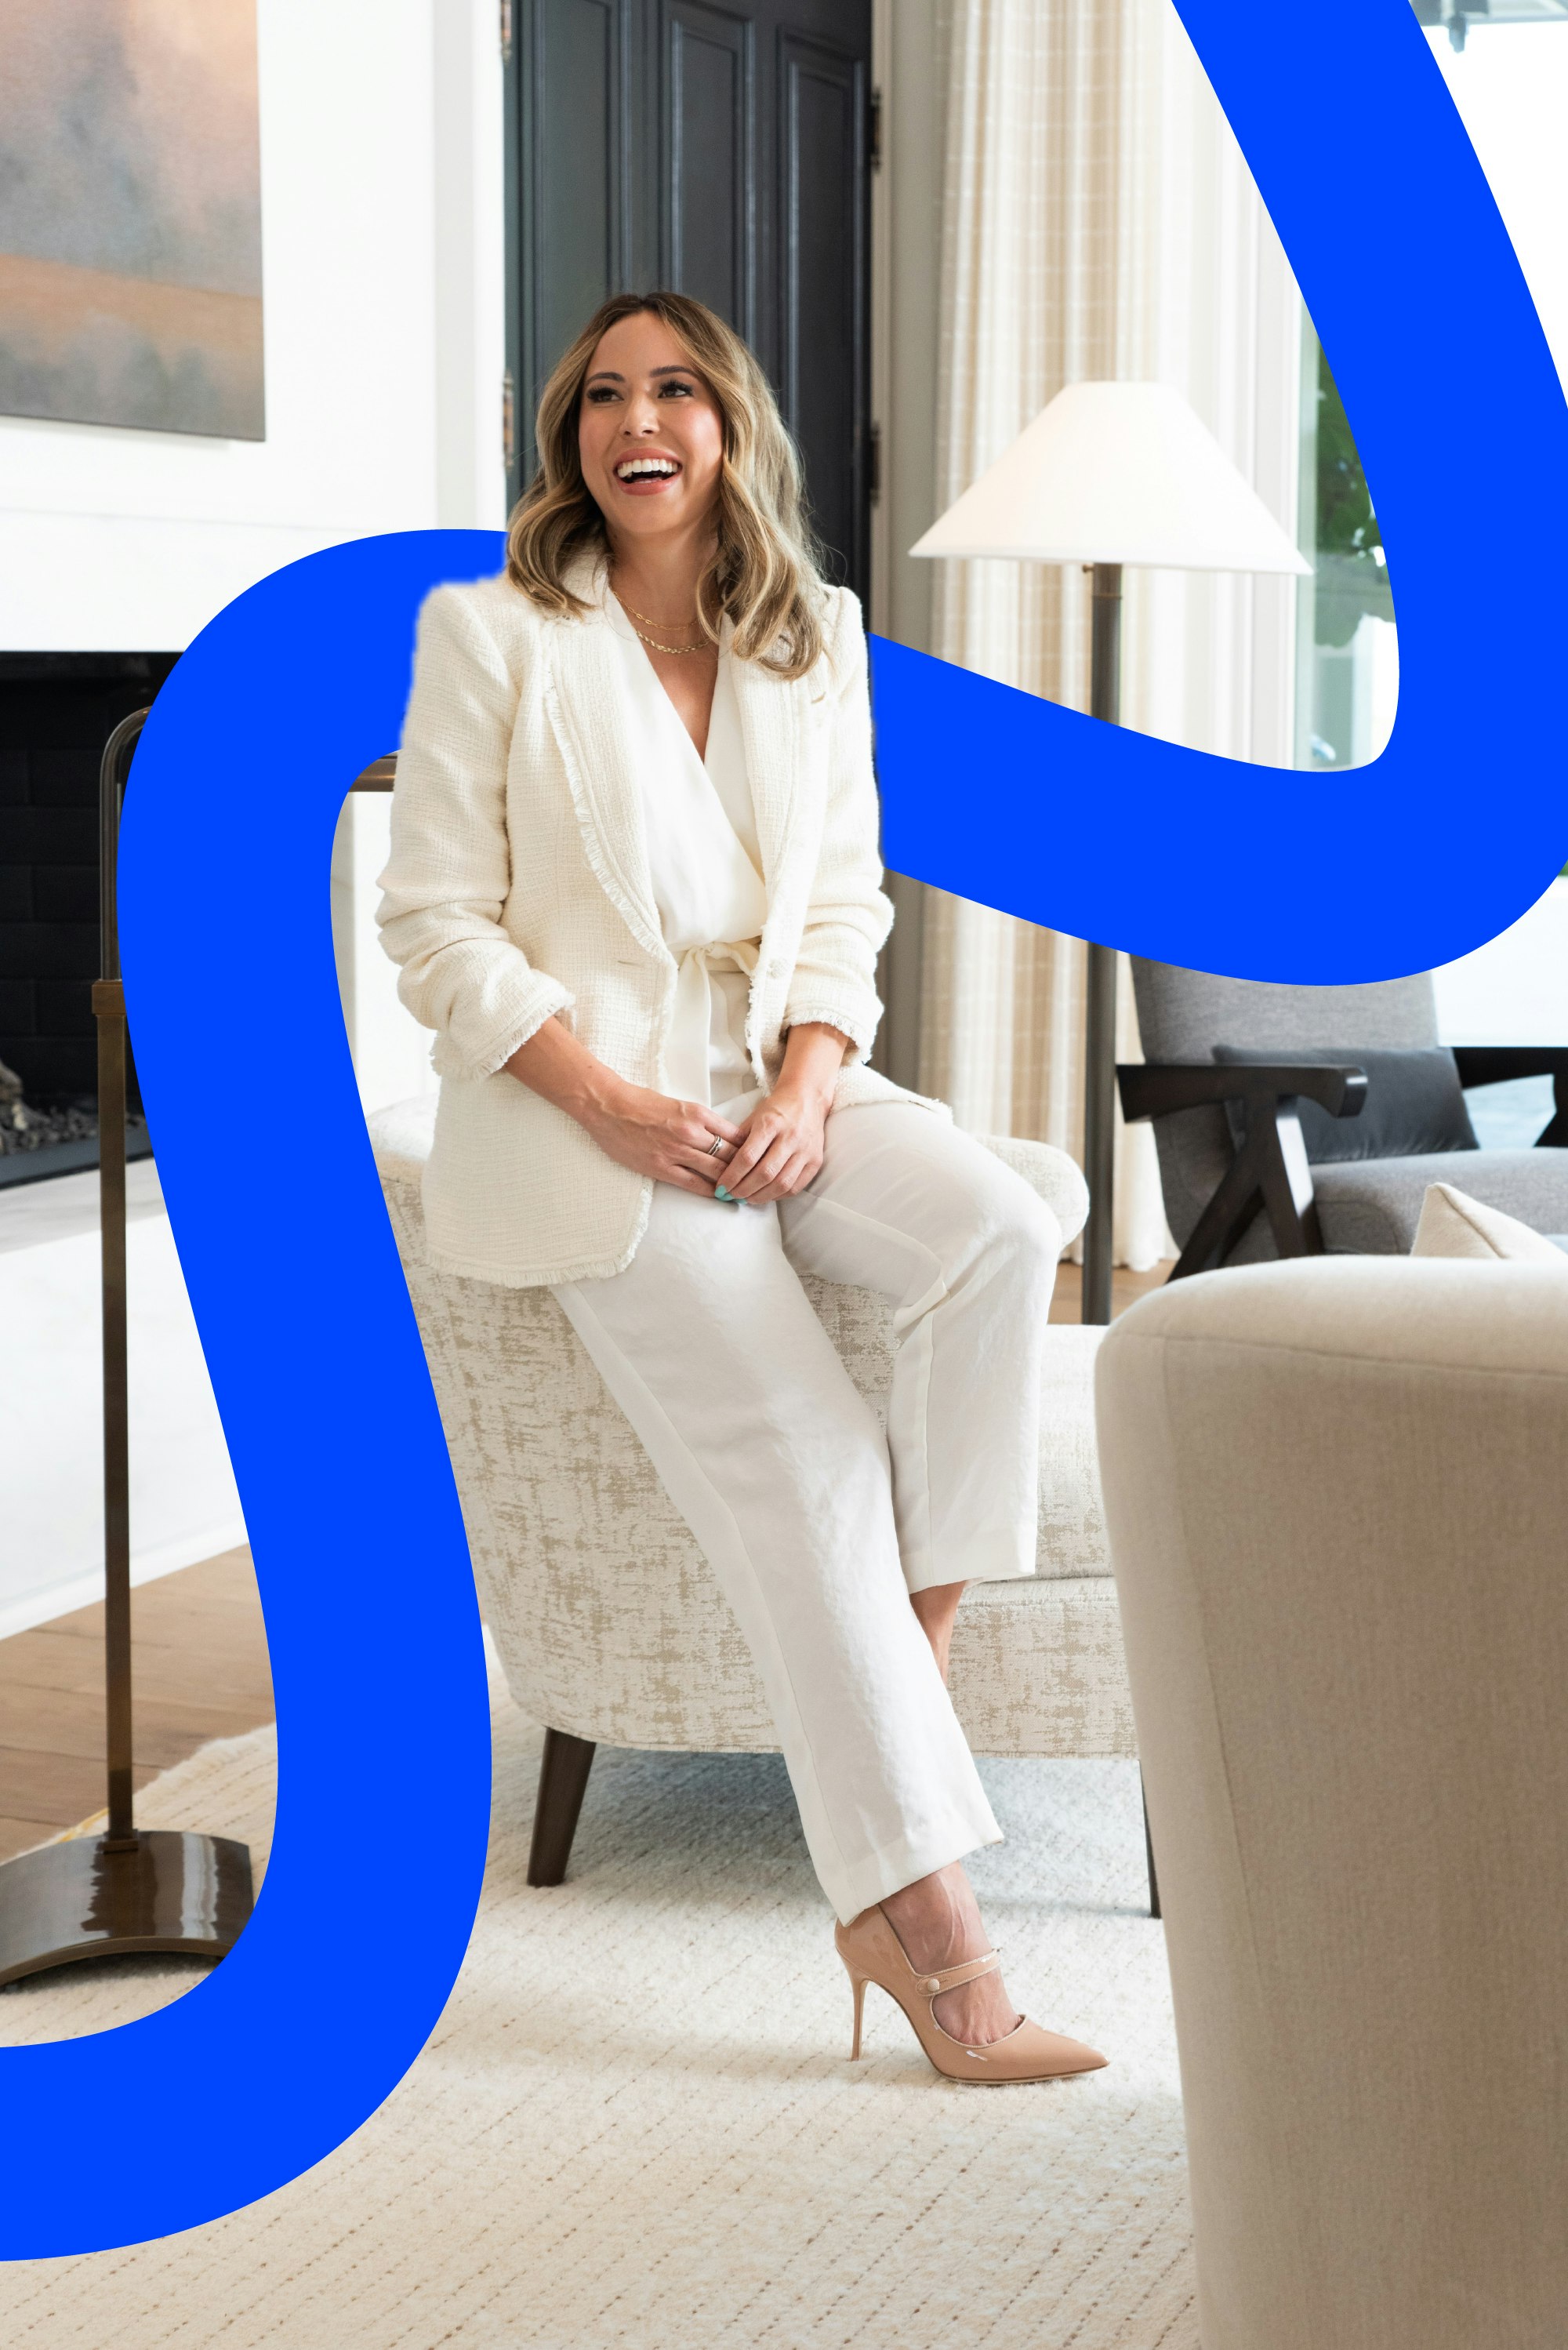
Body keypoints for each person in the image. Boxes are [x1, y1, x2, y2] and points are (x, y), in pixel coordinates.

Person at [376, 289, 1107, 2085]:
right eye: (604, 394)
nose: (639, 419)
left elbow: (845, 898)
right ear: (571, 438)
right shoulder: (490, 630)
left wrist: (804, 1081)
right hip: (588, 1115)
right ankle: (925, 1926)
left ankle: (909, 1664)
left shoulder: (811, 633)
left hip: (778, 1082)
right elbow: (433, 924)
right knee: (814, 1456)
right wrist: (612, 1101)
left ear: (728, 428)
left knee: (1003, 1224)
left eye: (676, 389)